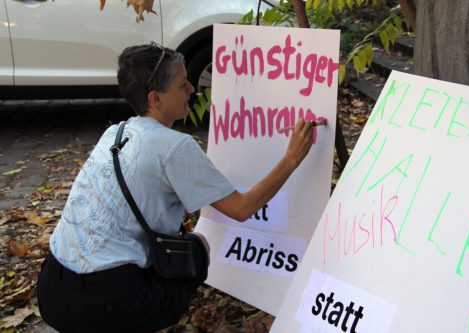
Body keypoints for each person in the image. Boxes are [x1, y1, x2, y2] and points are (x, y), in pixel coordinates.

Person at [37, 42, 314, 333]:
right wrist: (292, 158)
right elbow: (242, 209)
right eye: (183, 85)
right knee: (198, 247)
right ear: (155, 98)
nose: (193, 90)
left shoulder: (114, 133)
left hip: (52, 289)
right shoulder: (175, 146)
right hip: (108, 299)